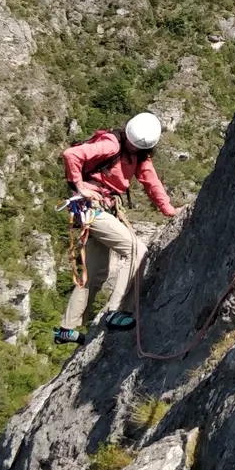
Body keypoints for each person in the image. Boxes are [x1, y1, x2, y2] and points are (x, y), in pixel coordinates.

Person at [52, 112, 182, 345]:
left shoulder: (141, 157)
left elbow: (153, 184)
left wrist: (170, 210)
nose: (133, 148)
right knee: (137, 250)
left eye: (137, 146)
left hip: (100, 210)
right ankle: (116, 311)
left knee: (96, 274)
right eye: (131, 144)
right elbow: (71, 155)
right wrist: (80, 185)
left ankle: (66, 329)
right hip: (92, 208)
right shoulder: (111, 144)